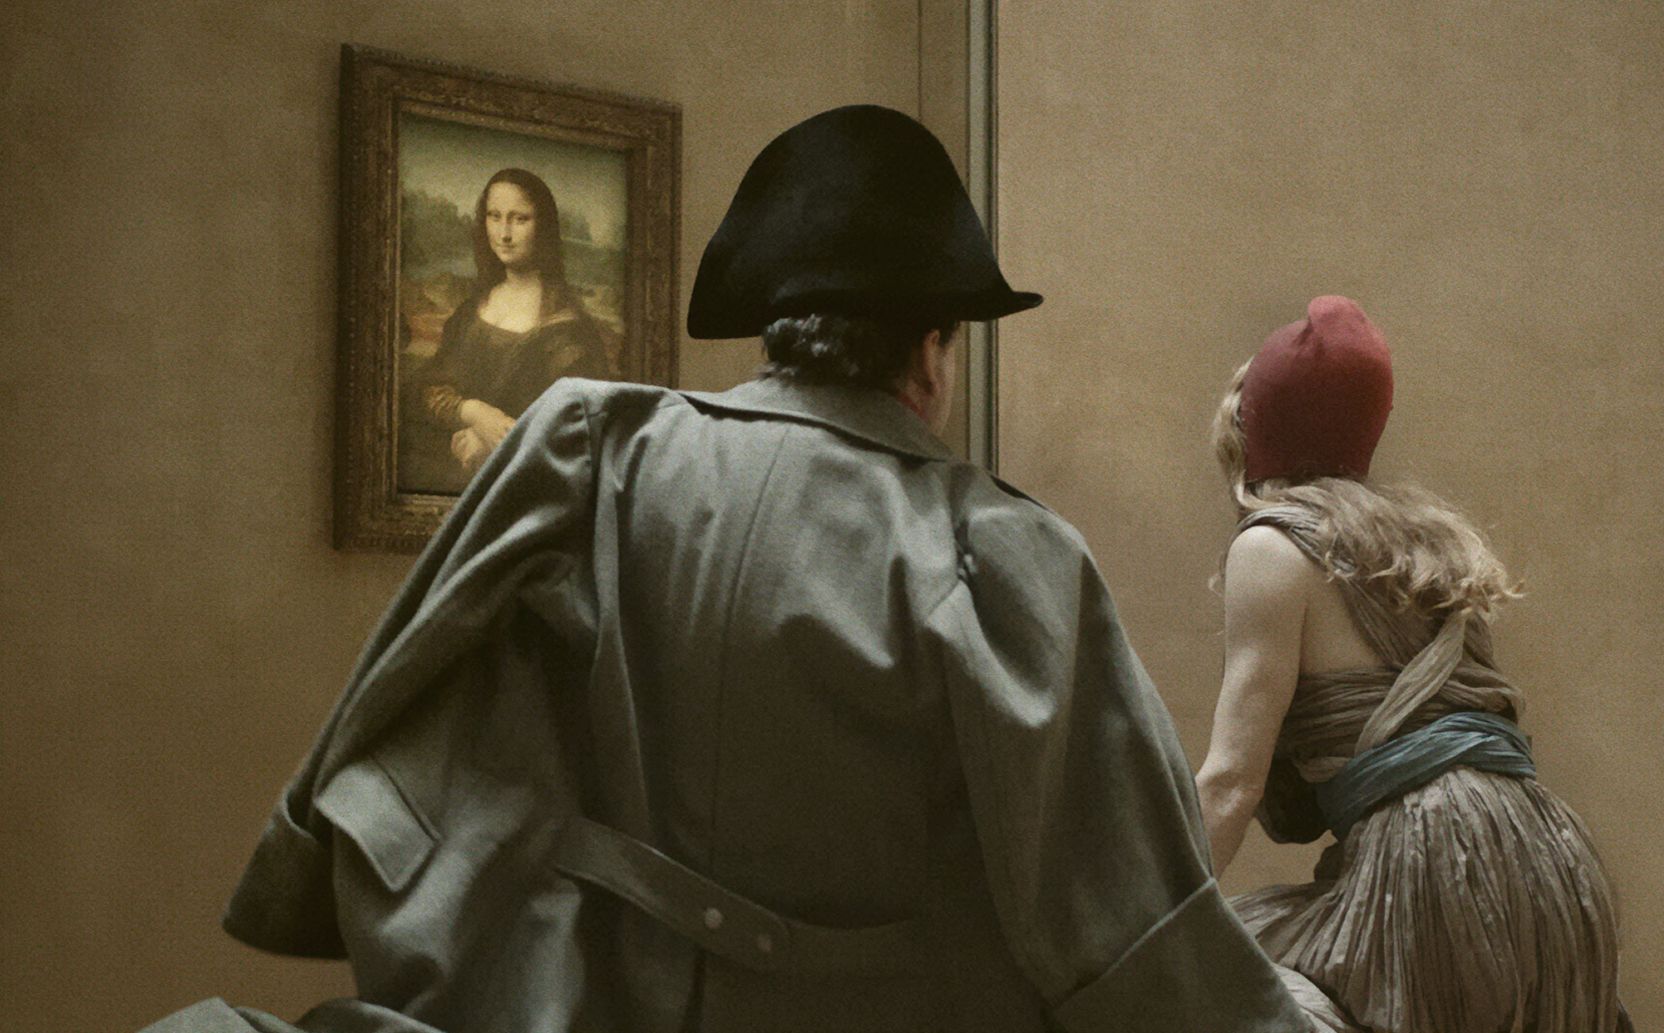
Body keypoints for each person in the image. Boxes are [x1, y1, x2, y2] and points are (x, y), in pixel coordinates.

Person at [142, 106, 1322, 1033]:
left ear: (780, 329)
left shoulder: (590, 452)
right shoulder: (992, 551)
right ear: (929, 353)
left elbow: (399, 702)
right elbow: (1128, 928)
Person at [1194, 295, 1630, 1033]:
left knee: (1205, 978)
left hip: (1437, 863)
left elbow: (1232, 782)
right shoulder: (1421, 542)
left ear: (1253, 428)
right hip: (1550, 864)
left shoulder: (1272, 547)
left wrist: (1139, 928)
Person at [412, 167, 617, 488]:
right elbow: (427, 389)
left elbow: (579, 437)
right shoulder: (471, 311)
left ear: (543, 227)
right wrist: (473, 412)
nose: (504, 233)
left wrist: (497, 446)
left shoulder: (569, 330)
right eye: (495, 216)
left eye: (519, 219)